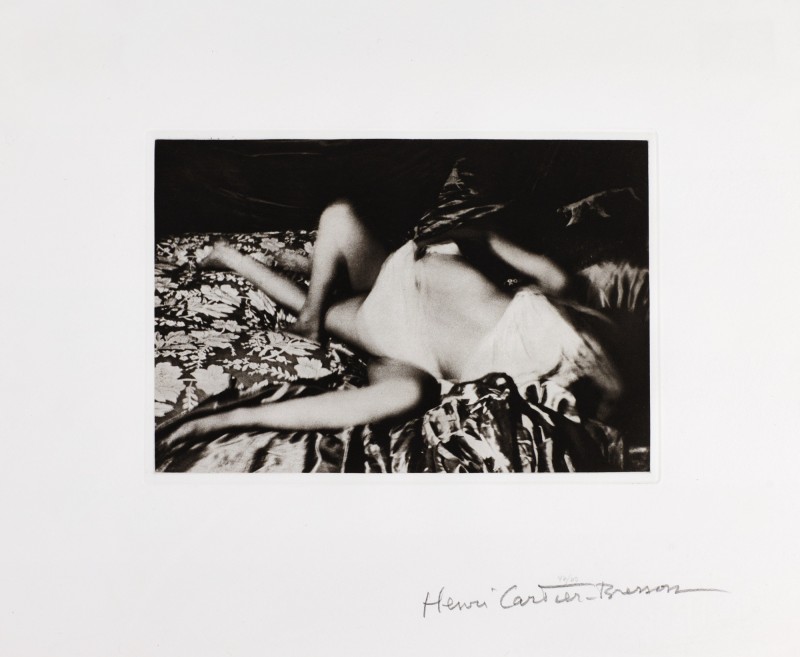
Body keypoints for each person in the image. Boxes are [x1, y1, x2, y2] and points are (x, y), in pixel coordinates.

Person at [162, 200, 620, 447]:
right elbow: (491, 238)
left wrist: (227, 420)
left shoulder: (562, 393)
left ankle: (247, 268)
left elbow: (597, 431)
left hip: (401, 340)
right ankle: (310, 303)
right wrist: (451, 243)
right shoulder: (563, 293)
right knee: (339, 215)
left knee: (402, 394)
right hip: (401, 271)